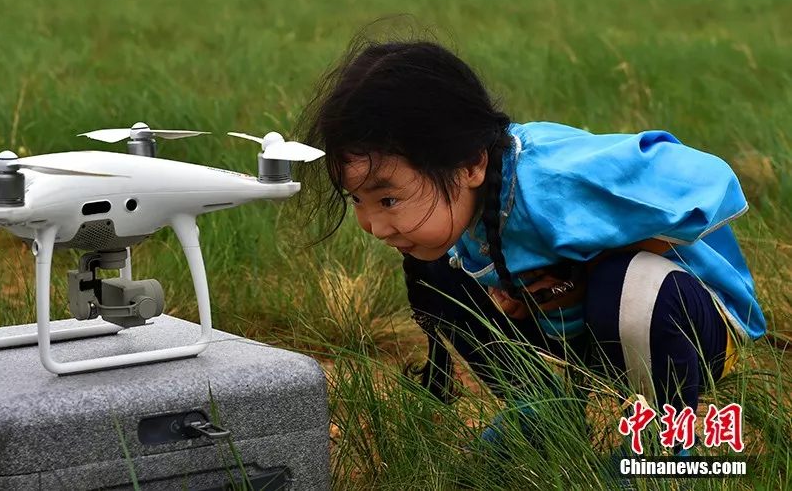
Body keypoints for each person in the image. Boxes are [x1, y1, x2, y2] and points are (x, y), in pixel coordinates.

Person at [292, 22, 766, 460]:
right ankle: (543, 411)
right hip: (584, 330)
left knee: (627, 286)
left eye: (388, 199)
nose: (373, 225)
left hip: (696, 329)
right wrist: (524, 289)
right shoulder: (467, 206)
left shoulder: (556, 179)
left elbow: (713, 180)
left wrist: (592, 266)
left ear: (469, 165)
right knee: (436, 270)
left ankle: (665, 446)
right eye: (357, 200)